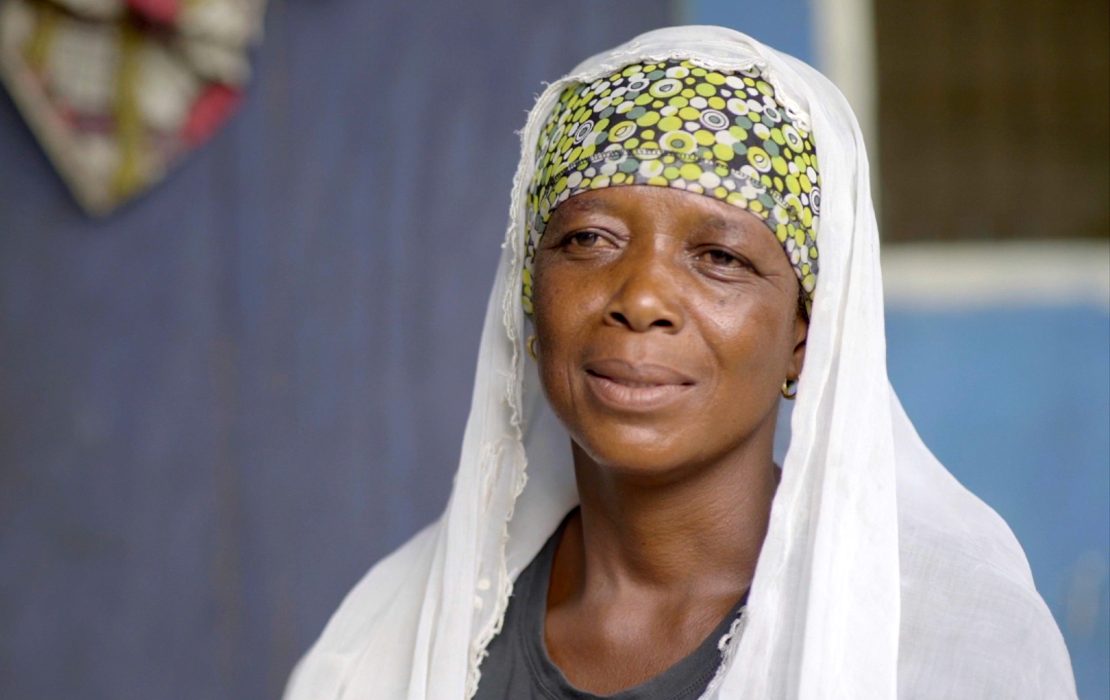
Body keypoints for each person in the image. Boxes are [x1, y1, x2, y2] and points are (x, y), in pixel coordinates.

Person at [284, 26, 1076, 699]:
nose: (641, 297)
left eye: (719, 257)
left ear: (806, 336)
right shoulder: (392, 638)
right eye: (589, 240)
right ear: (528, 304)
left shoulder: (939, 642)